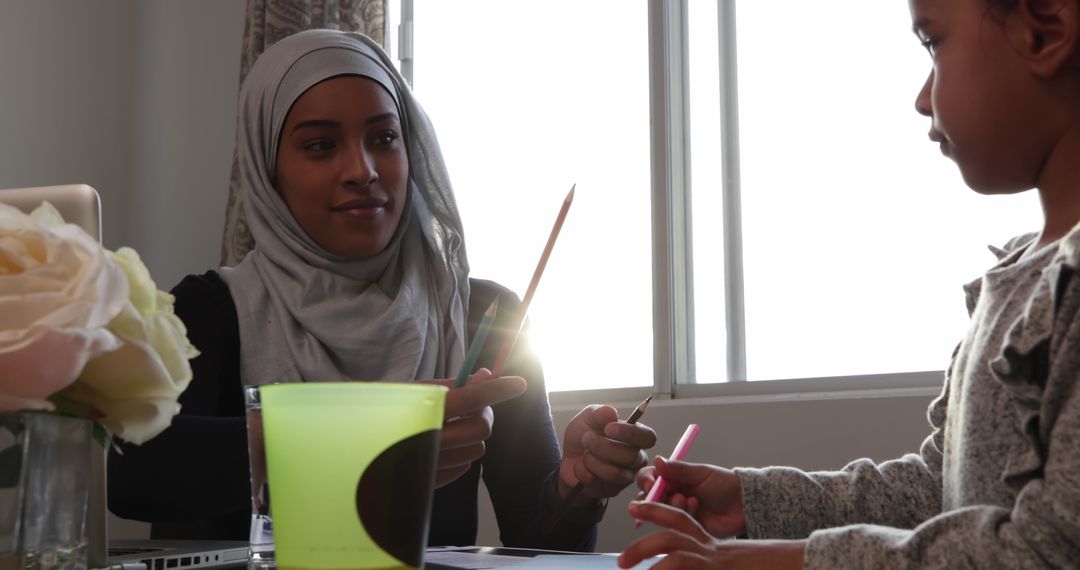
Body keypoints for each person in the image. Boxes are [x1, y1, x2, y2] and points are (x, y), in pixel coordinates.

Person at [107, 29, 656, 551]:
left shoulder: (483, 316)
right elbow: (129, 472)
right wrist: (362, 429)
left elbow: (537, 542)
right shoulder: (209, 312)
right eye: (320, 145)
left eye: (384, 138)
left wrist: (577, 486)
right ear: (268, 171)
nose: (363, 169)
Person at [618, 0, 1080, 568]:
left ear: (1046, 34)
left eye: (934, 44)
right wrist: (752, 500)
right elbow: (939, 493)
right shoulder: (1023, 272)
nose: (921, 97)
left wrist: (751, 563)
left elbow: (1048, 551)